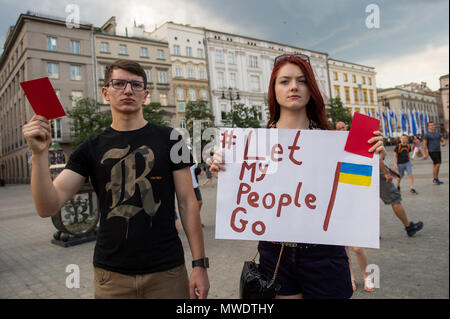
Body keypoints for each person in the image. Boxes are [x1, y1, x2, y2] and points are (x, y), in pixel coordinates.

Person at [22, 60, 209, 299]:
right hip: (111, 276)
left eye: (136, 85)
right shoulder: (91, 147)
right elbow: (47, 206)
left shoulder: (172, 139)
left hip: (167, 272)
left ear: (146, 94)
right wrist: (39, 154)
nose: (128, 90)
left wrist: (199, 264)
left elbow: (187, 203)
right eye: (119, 83)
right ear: (105, 93)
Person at [211, 54, 385, 299]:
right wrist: (223, 166)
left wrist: (370, 158)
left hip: (325, 253)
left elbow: (353, 192)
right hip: (276, 255)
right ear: (274, 90)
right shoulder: (252, 143)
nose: (293, 86)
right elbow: (245, 193)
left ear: (311, 89)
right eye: (284, 81)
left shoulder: (338, 142)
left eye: (301, 81)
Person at [380, 156, 423, 237]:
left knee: (370, 203)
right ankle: (409, 227)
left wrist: (387, 169)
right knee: (395, 199)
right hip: (378, 172)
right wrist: (386, 172)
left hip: (363, 171)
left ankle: (373, 233)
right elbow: (377, 157)